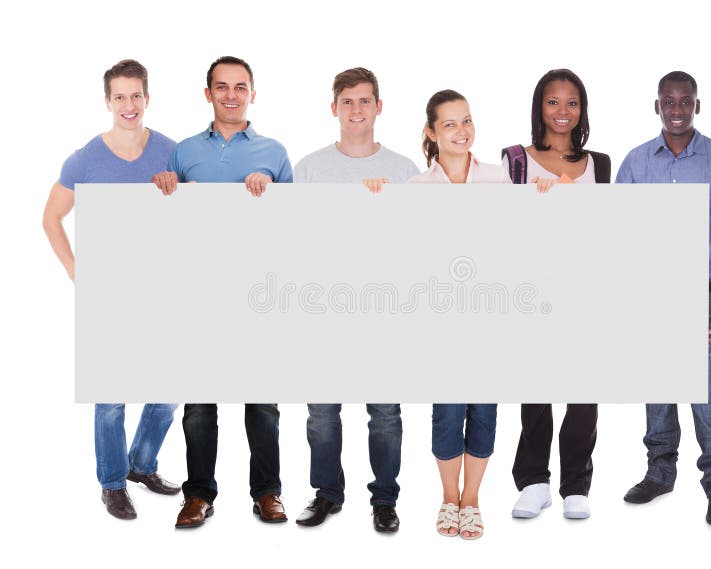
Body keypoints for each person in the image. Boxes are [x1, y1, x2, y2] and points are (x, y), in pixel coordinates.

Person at [151, 56, 293, 528]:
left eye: (240, 86)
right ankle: (198, 495)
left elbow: (297, 226)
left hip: (258, 293)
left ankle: (267, 492)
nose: (231, 94)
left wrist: (272, 189)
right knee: (198, 406)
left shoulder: (274, 151)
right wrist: (166, 184)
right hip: (201, 295)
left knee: (263, 404)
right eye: (221, 86)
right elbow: (166, 222)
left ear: (253, 92)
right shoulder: (184, 151)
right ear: (207, 93)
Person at [42, 59, 180, 520]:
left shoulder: (170, 152)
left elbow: (197, 217)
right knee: (112, 395)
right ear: (107, 102)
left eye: (135, 95)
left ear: (147, 98)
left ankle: (141, 464)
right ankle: (113, 482)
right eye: (119, 96)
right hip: (109, 295)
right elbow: (51, 217)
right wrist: (75, 270)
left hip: (163, 291)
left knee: (168, 390)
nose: (128, 105)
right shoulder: (85, 158)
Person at [616, 71, 711, 526]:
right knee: (656, 388)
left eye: (685, 102)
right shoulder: (636, 162)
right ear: (657, 106)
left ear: (697, 105)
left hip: (699, 295)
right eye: (668, 102)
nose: (676, 109)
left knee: (707, 393)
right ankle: (659, 474)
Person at [291, 67, 418, 533]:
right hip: (325, 308)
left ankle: (384, 498)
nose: (357, 109)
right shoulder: (309, 168)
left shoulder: (405, 170)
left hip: (383, 309)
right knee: (322, 412)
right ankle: (327, 493)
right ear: (334, 108)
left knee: (384, 412)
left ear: (379, 107)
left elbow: (417, 241)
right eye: (348, 101)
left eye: (365, 101)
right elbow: (293, 238)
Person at [501, 68, 610, 521]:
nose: (562, 112)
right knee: (536, 389)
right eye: (553, 102)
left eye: (572, 103)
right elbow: (500, 226)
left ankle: (575, 485)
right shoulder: (514, 160)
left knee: (584, 391)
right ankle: (534, 482)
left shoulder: (600, 163)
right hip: (533, 288)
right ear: (538, 107)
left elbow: (606, 229)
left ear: (582, 109)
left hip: (584, 288)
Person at [405, 89, 509, 539]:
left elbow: (519, 242)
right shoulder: (416, 189)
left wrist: (544, 195)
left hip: (489, 318)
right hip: (440, 322)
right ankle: (449, 497)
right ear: (431, 132)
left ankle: (473, 500)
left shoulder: (498, 178)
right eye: (449, 124)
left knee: (483, 411)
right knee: (448, 413)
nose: (461, 131)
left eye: (466, 121)